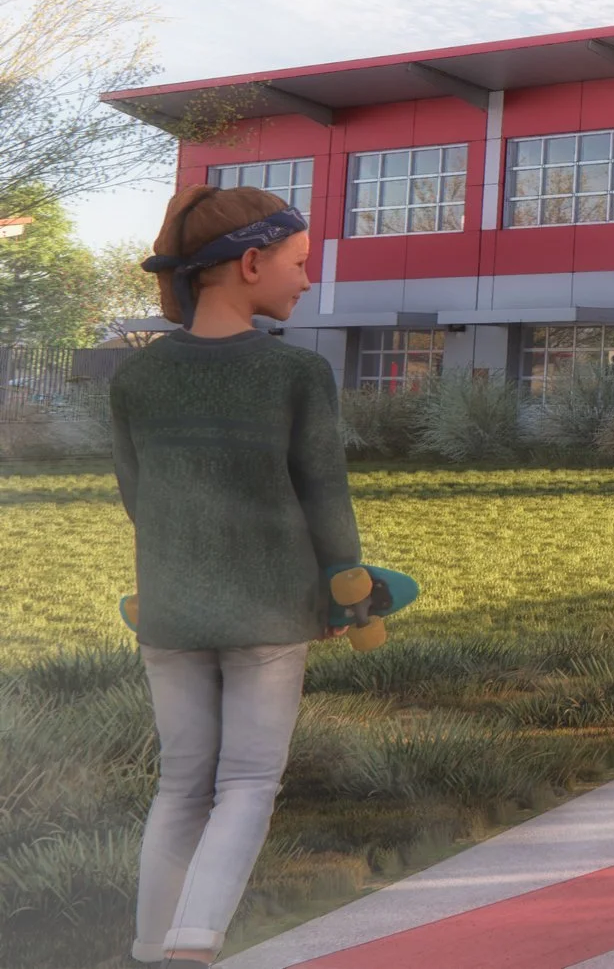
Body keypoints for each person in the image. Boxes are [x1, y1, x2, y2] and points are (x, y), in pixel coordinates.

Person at [113, 184, 369, 966]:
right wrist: (345, 586)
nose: (307, 279)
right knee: (250, 784)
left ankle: (151, 947)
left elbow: (137, 496)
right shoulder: (295, 372)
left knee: (181, 786)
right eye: (298, 262)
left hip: (170, 612)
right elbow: (324, 491)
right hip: (268, 610)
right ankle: (196, 945)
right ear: (250, 263)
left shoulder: (136, 379)